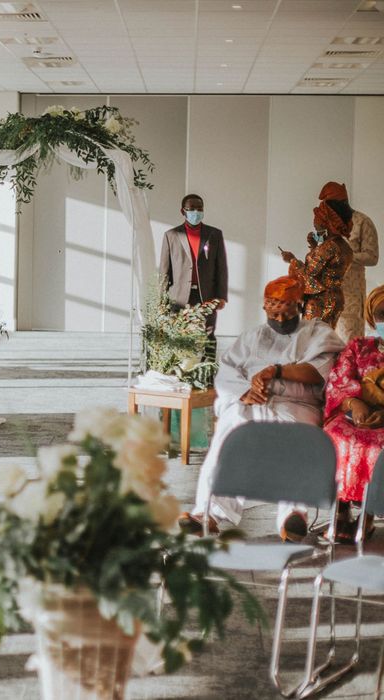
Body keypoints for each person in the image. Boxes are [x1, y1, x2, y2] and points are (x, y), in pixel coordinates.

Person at [178, 276, 345, 541]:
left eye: (287, 310)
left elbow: (318, 373)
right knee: (229, 432)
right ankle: (208, 513)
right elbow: (227, 373)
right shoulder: (252, 336)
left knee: (297, 436)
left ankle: (293, 517)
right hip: (251, 403)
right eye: (273, 310)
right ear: (265, 307)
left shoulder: (317, 331)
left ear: (299, 305)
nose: (279, 318)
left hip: (295, 404)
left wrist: (276, 371)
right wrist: (246, 391)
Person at [322, 285, 384, 542]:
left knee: (377, 444)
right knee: (337, 434)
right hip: (357, 414)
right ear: (372, 317)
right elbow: (339, 381)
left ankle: (368, 514)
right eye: (382, 314)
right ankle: (341, 509)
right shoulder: (359, 347)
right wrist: (354, 405)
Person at [159, 194, 228, 356]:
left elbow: (221, 267)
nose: (196, 212)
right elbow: (164, 270)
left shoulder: (214, 234)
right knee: (178, 334)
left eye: (200, 209)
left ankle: (207, 373)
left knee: (208, 335)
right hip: (179, 296)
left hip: (207, 295)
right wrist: (162, 299)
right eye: (192, 209)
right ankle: (180, 373)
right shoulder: (171, 236)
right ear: (183, 211)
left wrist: (222, 295)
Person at [318, 182, 379, 343]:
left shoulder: (362, 222)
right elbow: (321, 251)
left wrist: (347, 255)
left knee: (349, 347)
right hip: (327, 296)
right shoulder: (328, 224)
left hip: (351, 297)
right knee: (324, 349)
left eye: (331, 205)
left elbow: (372, 257)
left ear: (342, 203)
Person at [281, 199, 353, 329]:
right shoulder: (344, 246)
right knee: (326, 340)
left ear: (328, 222)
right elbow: (326, 269)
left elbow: (309, 277)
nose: (315, 224)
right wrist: (315, 248)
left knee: (312, 341)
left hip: (320, 300)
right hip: (335, 298)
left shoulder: (328, 247)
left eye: (318, 219)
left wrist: (292, 260)